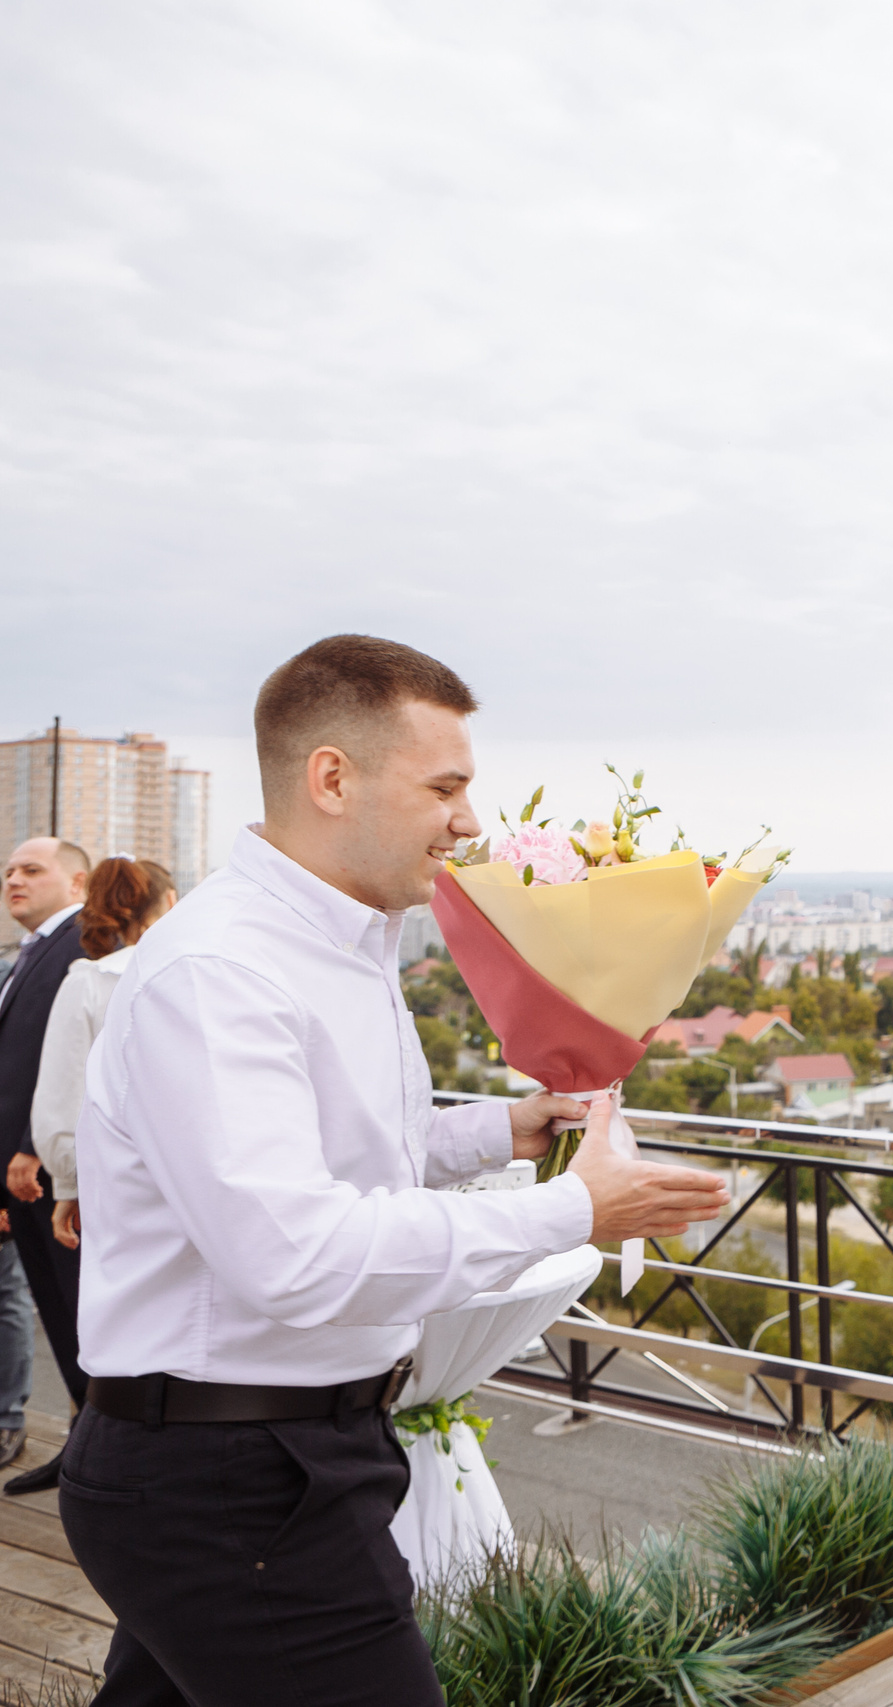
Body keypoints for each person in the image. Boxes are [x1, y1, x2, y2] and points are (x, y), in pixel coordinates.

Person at [61, 634, 735, 1707]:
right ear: (332, 778)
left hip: (276, 1453)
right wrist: (573, 1208)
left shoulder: (338, 948)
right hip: (227, 1479)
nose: (469, 821)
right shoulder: (222, 972)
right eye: (445, 786)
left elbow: (332, 1154)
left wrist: (500, 1133)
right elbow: (297, 1257)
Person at [4, 859, 177, 1498]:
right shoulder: (191, 972)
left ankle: (106, 1463)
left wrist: (67, 1187)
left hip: (107, 1188)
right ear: (169, 901)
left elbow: (60, 1096)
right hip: (178, 1190)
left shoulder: (91, 981)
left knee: (90, 1322)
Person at [0, 837, 93, 1476]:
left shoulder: (82, 944)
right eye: (8, 870)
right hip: (23, 1174)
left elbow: (75, 1060)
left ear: (79, 884)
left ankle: (95, 1459)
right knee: (56, 1315)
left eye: (33, 869)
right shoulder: (28, 954)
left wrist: (36, 1148)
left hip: (49, 1172)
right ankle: (82, 1454)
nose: (14, 880)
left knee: (78, 1313)